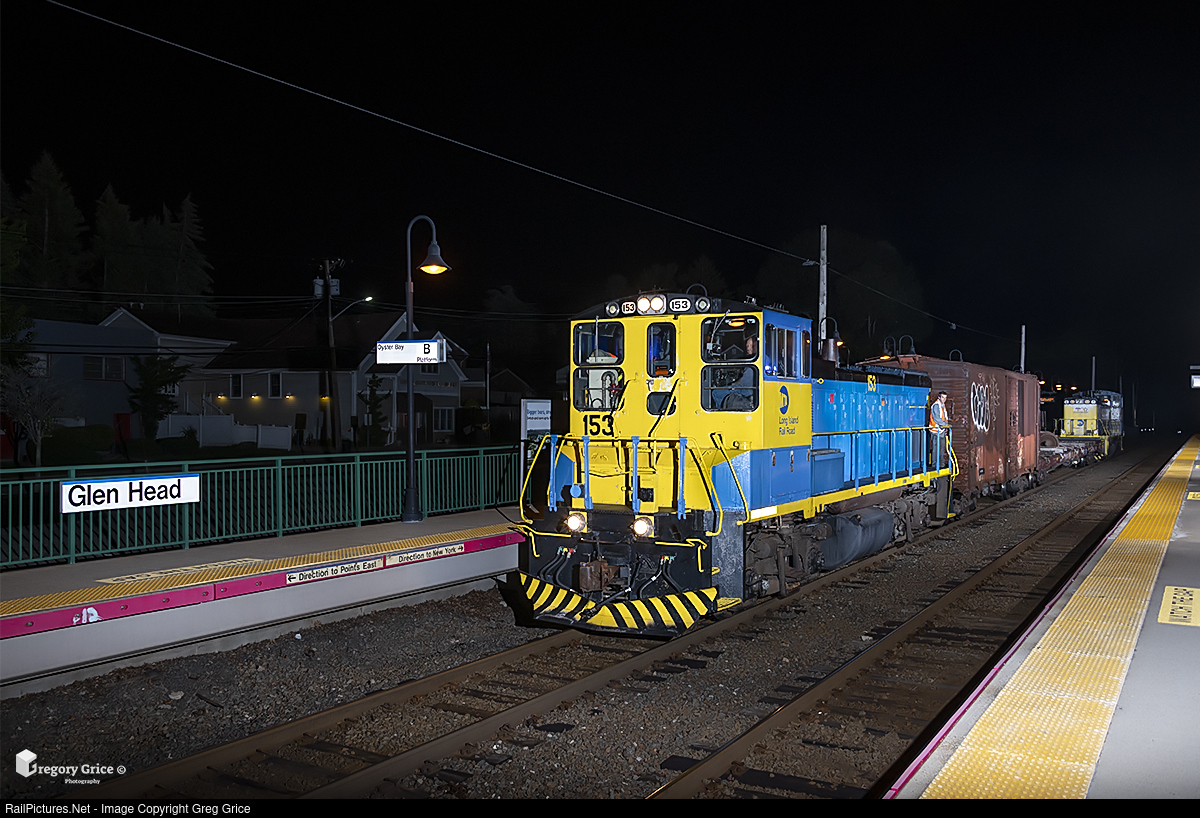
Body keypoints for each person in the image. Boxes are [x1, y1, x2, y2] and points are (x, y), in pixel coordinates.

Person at [930, 390, 951, 466]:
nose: (944, 399)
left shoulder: (942, 406)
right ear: (939, 397)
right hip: (935, 430)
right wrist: (946, 425)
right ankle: (935, 464)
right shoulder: (936, 406)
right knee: (936, 448)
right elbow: (937, 419)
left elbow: (944, 418)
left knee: (942, 448)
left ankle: (941, 463)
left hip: (941, 430)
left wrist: (945, 426)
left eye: (945, 398)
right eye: (942, 397)